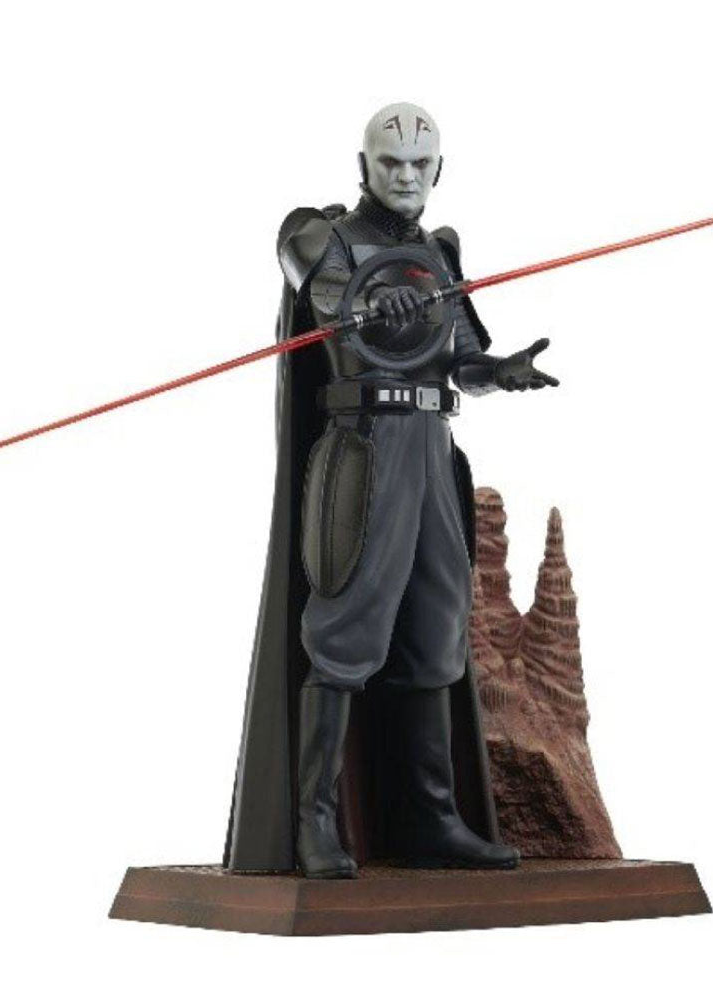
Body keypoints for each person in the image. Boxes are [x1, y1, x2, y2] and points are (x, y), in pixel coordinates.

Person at [224, 103, 557, 879]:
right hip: (366, 448)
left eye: (419, 165)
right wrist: (378, 305)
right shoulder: (323, 237)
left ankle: (430, 819)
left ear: (438, 170)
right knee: (347, 626)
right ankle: (315, 823)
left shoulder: (438, 255)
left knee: (438, 627)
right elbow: (339, 311)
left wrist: (499, 371)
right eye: (390, 164)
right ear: (364, 166)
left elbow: (460, 359)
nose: (405, 177)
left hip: (432, 446)